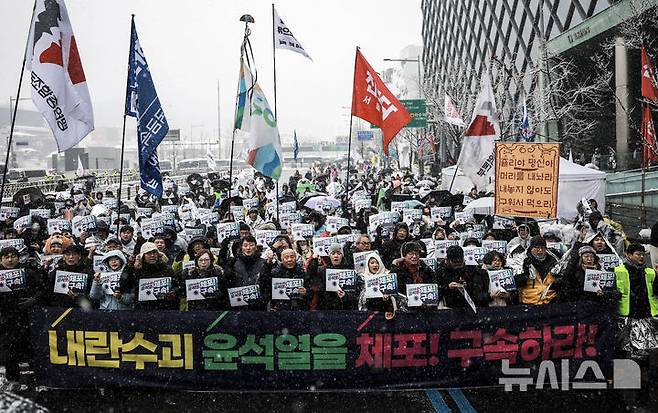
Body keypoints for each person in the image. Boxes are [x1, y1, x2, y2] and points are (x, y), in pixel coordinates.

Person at [614, 243, 658, 409]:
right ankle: (626, 400)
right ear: (628, 254)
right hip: (626, 320)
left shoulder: (650, 272)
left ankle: (642, 398)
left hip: (646, 320)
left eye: (643, 255)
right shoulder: (618, 271)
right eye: (638, 254)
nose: (641, 257)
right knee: (627, 360)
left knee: (645, 360)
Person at [0, 246, 45, 384]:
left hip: (26, 317)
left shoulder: (29, 273)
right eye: (6, 257)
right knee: (9, 350)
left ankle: (34, 379)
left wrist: (34, 300)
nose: (10, 260)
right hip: (5, 318)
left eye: (13, 256)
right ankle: (13, 380)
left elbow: (42, 290)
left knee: (30, 347)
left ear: (18, 258)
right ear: (1, 260)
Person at [127, 242, 179, 311]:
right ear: (143, 256)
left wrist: (174, 293)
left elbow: (177, 286)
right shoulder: (137, 271)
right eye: (148, 253)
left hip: (165, 309)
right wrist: (129, 266)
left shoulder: (167, 269)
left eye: (154, 253)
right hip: (143, 310)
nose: (152, 255)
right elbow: (126, 285)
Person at [308, 243, 359, 310]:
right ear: (329, 256)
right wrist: (314, 261)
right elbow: (311, 277)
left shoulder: (349, 271)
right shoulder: (322, 270)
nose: (336, 256)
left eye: (338, 253)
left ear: (342, 256)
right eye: (333, 253)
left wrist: (345, 296)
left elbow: (355, 293)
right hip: (327, 308)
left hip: (345, 308)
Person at [390, 241, 437, 311]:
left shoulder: (425, 268)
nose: (414, 256)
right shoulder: (397, 270)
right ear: (404, 256)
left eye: (416, 253)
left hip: (425, 309)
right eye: (411, 254)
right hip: (405, 309)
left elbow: (434, 283)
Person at [224, 235, 268, 310]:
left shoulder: (263, 263)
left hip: (258, 306)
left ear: (256, 247)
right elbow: (227, 282)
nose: (248, 248)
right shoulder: (234, 262)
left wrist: (263, 299)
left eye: (251, 245)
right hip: (238, 304)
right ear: (241, 247)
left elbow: (267, 283)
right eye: (245, 245)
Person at [515, 236, 561, 305]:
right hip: (529, 302)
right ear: (531, 248)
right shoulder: (521, 261)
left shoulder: (554, 261)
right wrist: (525, 271)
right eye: (537, 248)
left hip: (550, 302)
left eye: (542, 248)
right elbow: (518, 283)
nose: (540, 250)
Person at [47, 244, 94, 308]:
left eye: (74, 254)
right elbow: (48, 290)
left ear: (79, 256)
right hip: (59, 309)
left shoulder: (86, 272)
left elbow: (92, 295)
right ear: (63, 257)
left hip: (80, 310)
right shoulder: (57, 271)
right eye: (68, 254)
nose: (71, 257)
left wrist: (78, 297)